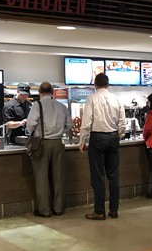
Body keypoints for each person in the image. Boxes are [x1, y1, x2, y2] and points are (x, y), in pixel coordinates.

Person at [79, 73, 126, 220]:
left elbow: (87, 121)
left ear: (95, 84)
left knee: (98, 176)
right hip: (113, 137)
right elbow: (122, 122)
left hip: (97, 138)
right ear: (108, 84)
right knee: (113, 176)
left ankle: (99, 211)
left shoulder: (92, 98)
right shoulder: (116, 99)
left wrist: (82, 140)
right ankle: (114, 210)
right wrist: (118, 135)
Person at [26, 82, 71, 218]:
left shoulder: (37, 105)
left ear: (40, 92)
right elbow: (69, 125)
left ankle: (44, 210)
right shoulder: (62, 106)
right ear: (52, 91)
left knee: (41, 177)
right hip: (58, 143)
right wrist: (59, 131)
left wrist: (35, 131)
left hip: (42, 143)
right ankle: (58, 208)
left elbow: (31, 124)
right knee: (59, 177)